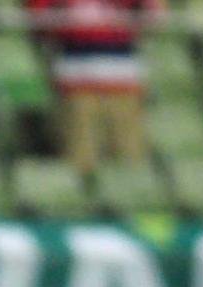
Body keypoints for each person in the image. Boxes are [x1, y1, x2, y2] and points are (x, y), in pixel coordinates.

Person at [27, 0, 161, 176]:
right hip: (76, 78)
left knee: (128, 152)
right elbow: (39, 19)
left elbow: (152, 16)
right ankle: (81, 195)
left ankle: (129, 194)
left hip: (122, 78)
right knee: (80, 152)